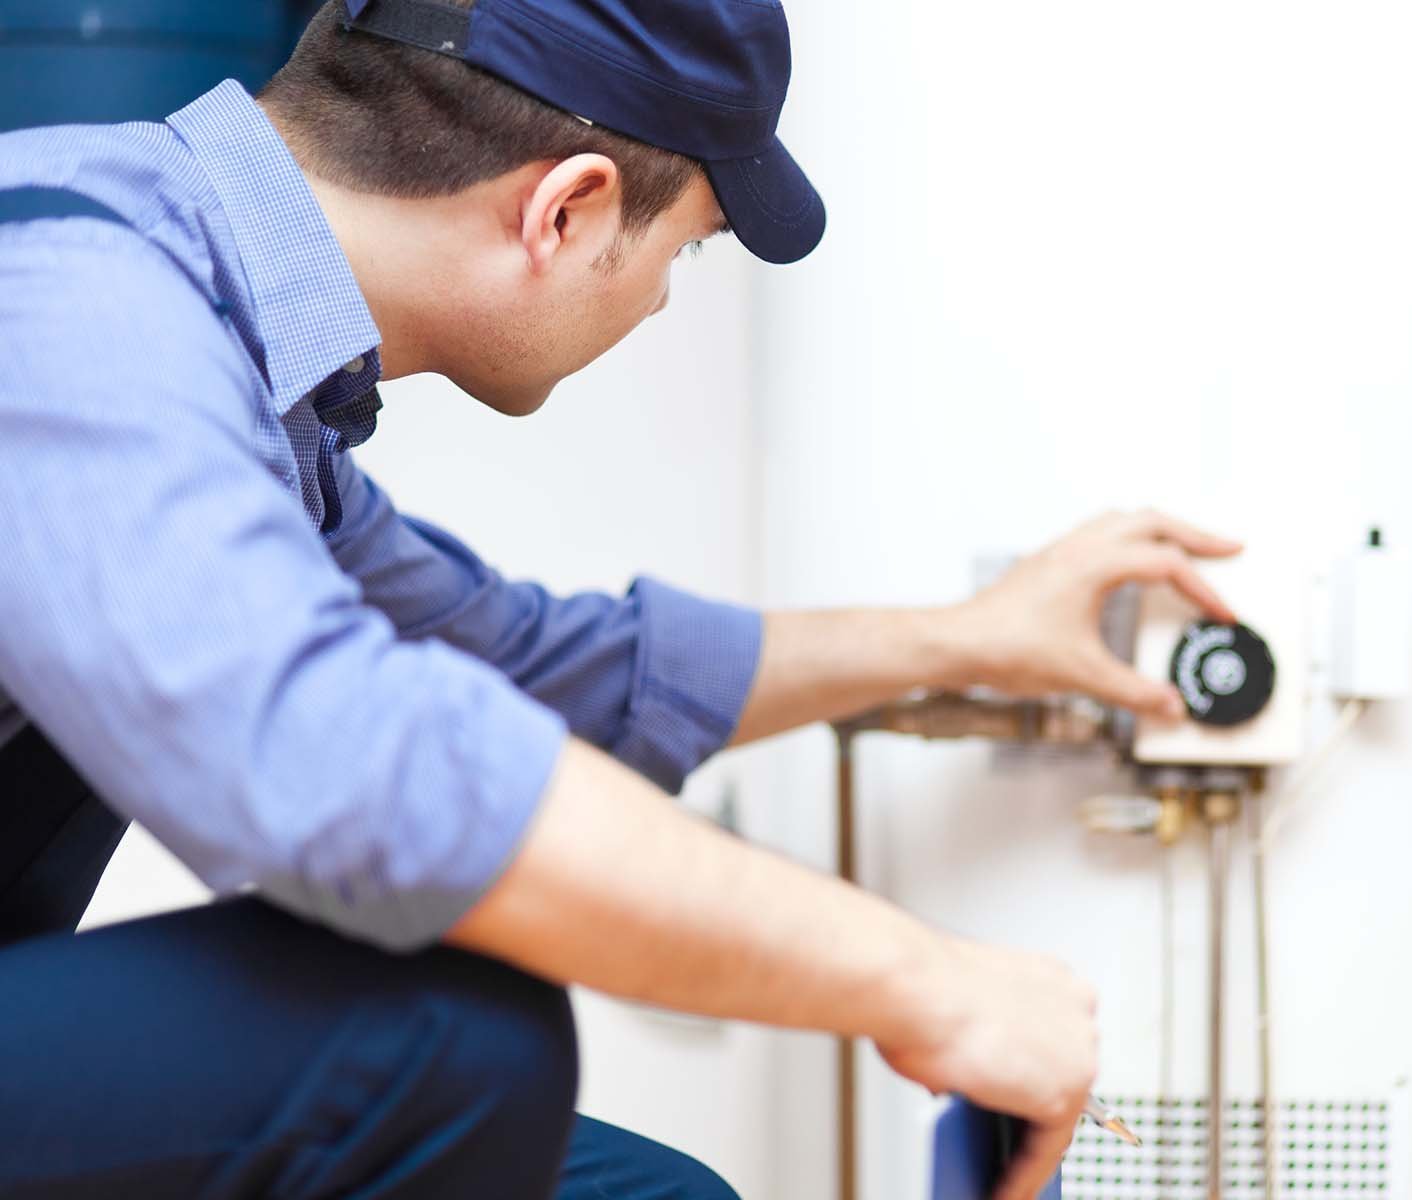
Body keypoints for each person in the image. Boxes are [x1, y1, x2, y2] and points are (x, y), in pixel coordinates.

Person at [0, 1, 1240, 1197]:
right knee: (449, 1036)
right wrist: (924, 979)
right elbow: (358, 771)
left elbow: (526, 668)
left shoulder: (236, 357)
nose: (659, 296)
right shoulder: (75, 299)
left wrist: (967, 642)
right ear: (568, 209)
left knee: (641, 1192)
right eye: (685, 247)